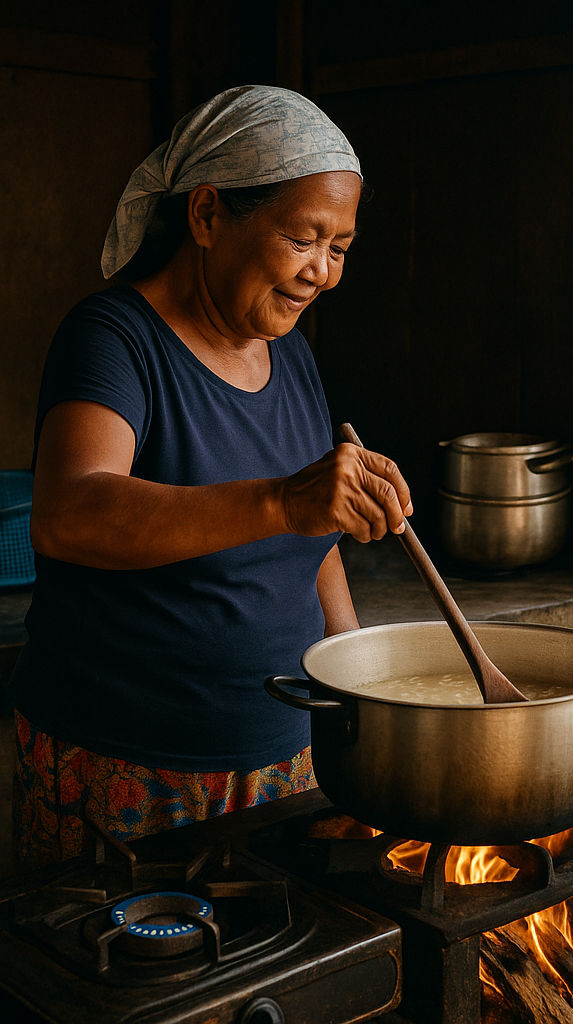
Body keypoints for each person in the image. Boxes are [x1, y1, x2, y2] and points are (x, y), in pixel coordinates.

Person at [9, 84, 414, 868]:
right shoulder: (114, 339)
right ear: (206, 216)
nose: (324, 273)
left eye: (341, 248)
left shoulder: (289, 351)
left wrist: (360, 679)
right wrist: (283, 498)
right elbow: (70, 513)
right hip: (128, 765)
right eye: (304, 239)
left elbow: (314, 533)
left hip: (285, 755)